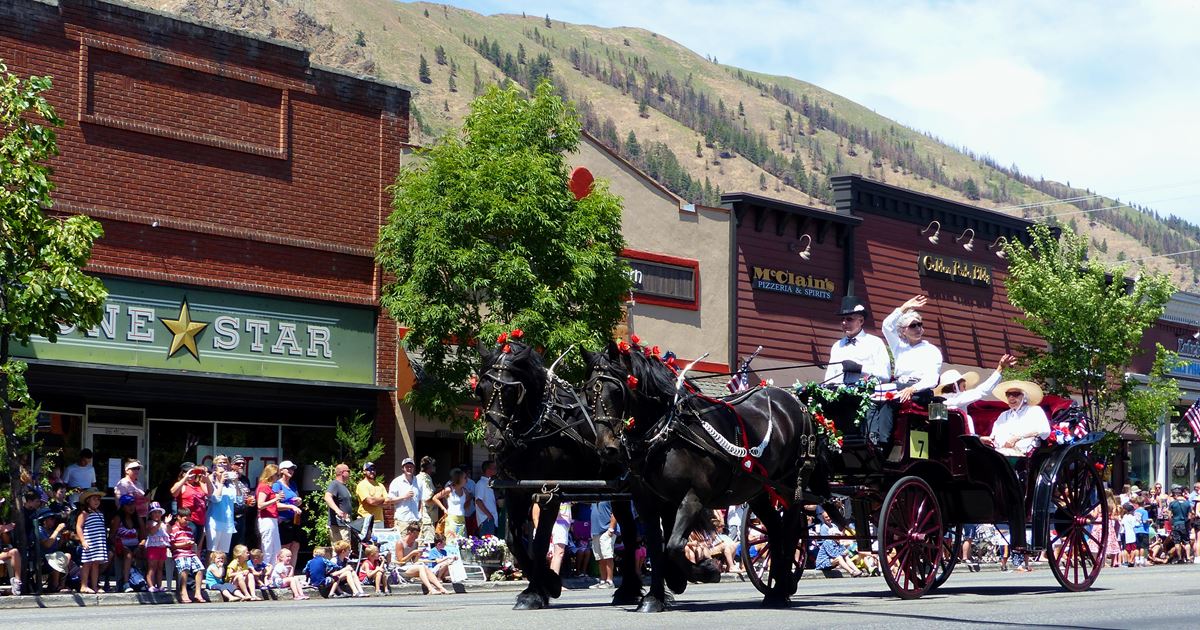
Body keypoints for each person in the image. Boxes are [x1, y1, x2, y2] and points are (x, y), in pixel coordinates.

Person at [882, 295, 943, 403]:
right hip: (897, 386)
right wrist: (904, 308)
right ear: (903, 331)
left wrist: (912, 388)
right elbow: (887, 326)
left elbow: (932, 378)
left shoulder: (931, 350)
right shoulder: (898, 346)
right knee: (876, 401)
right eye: (912, 326)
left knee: (890, 401)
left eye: (919, 324)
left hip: (918, 390)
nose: (917, 328)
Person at [938, 354, 1018, 434]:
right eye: (963, 386)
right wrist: (1000, 368)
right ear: (955, 387)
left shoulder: (937, 404)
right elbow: (982, 391)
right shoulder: (955, 400)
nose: (965, 390)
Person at [824, 296, 890, 385]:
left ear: (861, 321)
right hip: (839, 395)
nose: (844, 323)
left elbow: (885, 376)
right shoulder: (837, 345)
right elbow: (829, 378)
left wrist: (859, 368)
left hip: (865, 395)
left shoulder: (875, 343)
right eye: (842, 319)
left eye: (849, 319)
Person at [980, 380, 1050, 457]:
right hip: (1001, 451)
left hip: (1024, 453)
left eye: (1015, 394)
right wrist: (983, 439)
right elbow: (993, 436)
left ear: (1024, 396)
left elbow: (1044, 430)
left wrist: (1017, 438)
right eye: (1008, 394)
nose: (1011, 397)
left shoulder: (1034, 410)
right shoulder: (1004, 415)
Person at [171, 462, 213, 560]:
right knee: (189, 544)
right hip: (190, 520)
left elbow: (210, 493)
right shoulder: (183, 485)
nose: (192, 475)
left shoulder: (199, 485)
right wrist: (185, 478)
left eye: (194, 472)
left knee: (197, 546)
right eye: (190, 472)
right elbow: (173, 492)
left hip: (201, 520)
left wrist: (206, 479)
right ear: (183, 473)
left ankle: (194, 567)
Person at [395, 523, 450, 595]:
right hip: (401, 568)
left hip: (411, 567)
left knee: (425, 568)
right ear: (409, 532)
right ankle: (430, 589)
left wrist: (418, 555)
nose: (415, 537)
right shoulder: (400, 543)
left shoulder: (415, 543)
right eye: (414, 535)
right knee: (421, 567)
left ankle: (441, 588)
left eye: (417, 535)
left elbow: (414, 561)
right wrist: (412, 553)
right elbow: (400, 561)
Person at [256, 463, 295, 565]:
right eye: (277, 475)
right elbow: (260, 505)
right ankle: (265, 571)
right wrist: (275, 499)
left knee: (276, 548)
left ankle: (273, 571)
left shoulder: (270, 487)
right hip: (266, 519)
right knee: (267, 547)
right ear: (271, 474)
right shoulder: (264, 486)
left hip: (273, 518)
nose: (278, 477)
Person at [74, 488, 107, 594]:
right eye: (94, 499)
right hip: (90, 542)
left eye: (98, 499)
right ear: (88, 500)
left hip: (98, 542)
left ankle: (94, 586)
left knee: (96, 564)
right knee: (87, 563)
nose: (97, 501)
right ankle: (83, 585)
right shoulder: (84, 513)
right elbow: (78, 527)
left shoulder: (100, 513)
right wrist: (83, 541)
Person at [169, 508, 206, 603]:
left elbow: (192, 543)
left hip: (190, 553)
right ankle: (183, 591)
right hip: (179, 553)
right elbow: (171, 545)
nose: (187, 522)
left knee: (200, 568)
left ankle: (198, 592)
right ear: (178, 517)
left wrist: (191, 545)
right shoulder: (174, 529)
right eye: (185, 519)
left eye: (188, 520)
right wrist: (184, 544)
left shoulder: (189, 529)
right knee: (184, 568)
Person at [273, 460, 304, 569]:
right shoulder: (277, 485)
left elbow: (296, 500)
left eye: (293, 469)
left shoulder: (293, 484)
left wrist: (298, 501)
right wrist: (291, 506)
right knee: (285, 547)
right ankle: (281, 571)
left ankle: (291, 570)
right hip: (283, 519)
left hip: (295, 518)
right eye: (289, 469)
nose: (291, 471)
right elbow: (275, 504)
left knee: (295, 545)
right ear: (282, 470)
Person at [110, 494, 143, 592]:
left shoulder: (138, 518)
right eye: (128, 505)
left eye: (133, 504)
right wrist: (119, 545)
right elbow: (111, 536)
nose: (131, 507)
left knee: (148, 552)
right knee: (128, 554)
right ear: (123, 506)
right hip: (121, 546)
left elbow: (144, 537)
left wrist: (141, 545)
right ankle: (125, 583)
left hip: (136, 546)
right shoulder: (118, 518)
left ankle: (148, 582)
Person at [207, 454, 237, 556]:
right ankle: (209, 571)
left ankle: (220, 571)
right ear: (215, 466)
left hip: (228, 522)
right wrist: (220, 482)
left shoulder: (230, 482)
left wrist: (236, 482)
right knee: (212, 552)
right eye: (221, 463)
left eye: (225, 463)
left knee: (222, 554)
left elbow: (239, 499)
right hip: (215, 521)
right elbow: (215, 499)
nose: (223, 465)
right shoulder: (211, 479)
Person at [228, 455, 256, 552]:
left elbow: (247, 494)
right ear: (231, 465)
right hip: (231, 516)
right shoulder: (228, 479)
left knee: (240, 545)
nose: (241, 465)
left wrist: (250, 499)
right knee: (229, 545)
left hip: (243, 515)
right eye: (238, 463)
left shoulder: (245, 479)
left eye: (243, 463)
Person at [387, 457, 423, 533]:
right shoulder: (396, 482)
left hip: (415, 520)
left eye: (411, 466)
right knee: (402, 544)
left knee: (415, 544)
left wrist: (420, 515)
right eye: (407, 467)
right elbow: (389, 500)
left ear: (413, 468)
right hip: (402, 520)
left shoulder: (418, 482)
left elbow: (420, 501)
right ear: (403, 468)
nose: (409, 468)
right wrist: (404, 497)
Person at [432, 468, 469, 540]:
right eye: (464, 478)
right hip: (451, 518)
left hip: (462, 519)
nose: (466, 479)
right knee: (451, 541)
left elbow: (468, 500)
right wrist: (444, 509)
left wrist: (465, 508)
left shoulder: (465, 491)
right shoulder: (449, 489)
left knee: (462, 542)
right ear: (459, 478)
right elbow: (435, 498)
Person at [589, 500, 616, 589]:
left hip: (607, 530)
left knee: (607, 555)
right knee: (599, 557)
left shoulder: (608, 497)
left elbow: (615, 512)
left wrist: (611, 528)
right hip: (595, 531)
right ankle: (603, 580)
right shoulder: (593, 499)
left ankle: (609, 581)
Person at [144, 501, 170, 592]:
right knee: (152, 567)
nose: (157, 514)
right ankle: (150, 585)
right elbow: (152, 531)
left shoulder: (163, 523)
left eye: (159, 512)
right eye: (155, 512)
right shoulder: (150, 522)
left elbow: (168, 532)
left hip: (162, 547)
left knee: (160, 568)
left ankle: (159, 585)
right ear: (151, 514)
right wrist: (159, 523)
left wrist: (167, 523)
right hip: (153, 548)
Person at [324, 463, 353, 544]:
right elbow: (327, 497)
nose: (350, 473)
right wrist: (337, 510)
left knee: (345, 550)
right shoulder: (335, 484)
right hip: (338, 525)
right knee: (341, 550)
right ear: (342, 472)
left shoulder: (343, 486)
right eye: (348, 471)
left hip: (345, 524)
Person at [416, 456, 438, 545]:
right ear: (429, 467)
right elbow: (428, 499)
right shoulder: (425, 479)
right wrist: (440, 493)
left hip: (425, 517)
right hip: (427, 519)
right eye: (434, 465)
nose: (435, 467)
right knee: (428, 545)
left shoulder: (419, 477)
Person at [1168, 485, 1192, 563]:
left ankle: (1179, 558)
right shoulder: (1187, 503)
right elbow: (1190, 516)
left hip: (1176, 524)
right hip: (1185, 524)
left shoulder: (1172, 503)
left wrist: (1172, 523)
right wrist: (1188, 524)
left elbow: (1169, 515)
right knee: (1187, 541)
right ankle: (1188, 558)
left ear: (1175, 495)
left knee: (1177, 542)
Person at [474, 460, 498, 536]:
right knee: (487, 545)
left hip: (490, 519)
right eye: (494, 468)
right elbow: (478, 501)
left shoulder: (489, 483)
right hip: (486, 520)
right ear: (488, 470)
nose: (496, 469)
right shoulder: (481, 483)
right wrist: (489, 515)